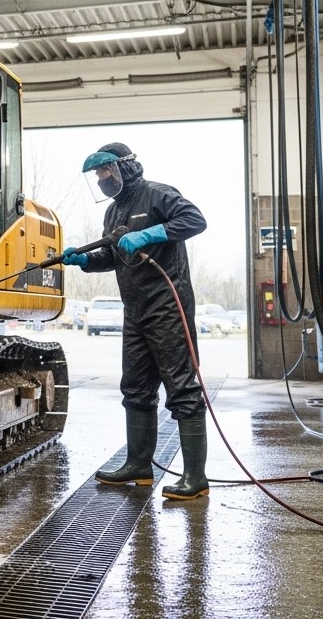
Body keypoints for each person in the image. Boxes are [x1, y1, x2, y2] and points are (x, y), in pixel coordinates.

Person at [62, 142, 210, 500]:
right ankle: (139, 465)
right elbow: (114, 256)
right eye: (97, 175)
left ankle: (195, 479)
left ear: (124, 167)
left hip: (167, 308)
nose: (101, 179)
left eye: (105, 171)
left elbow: (195, 220)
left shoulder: (158, 195)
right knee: (135, 390)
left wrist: (150, 233)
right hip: (136, 311)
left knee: (182, 390)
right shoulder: (113, 213)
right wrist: (85, 261)